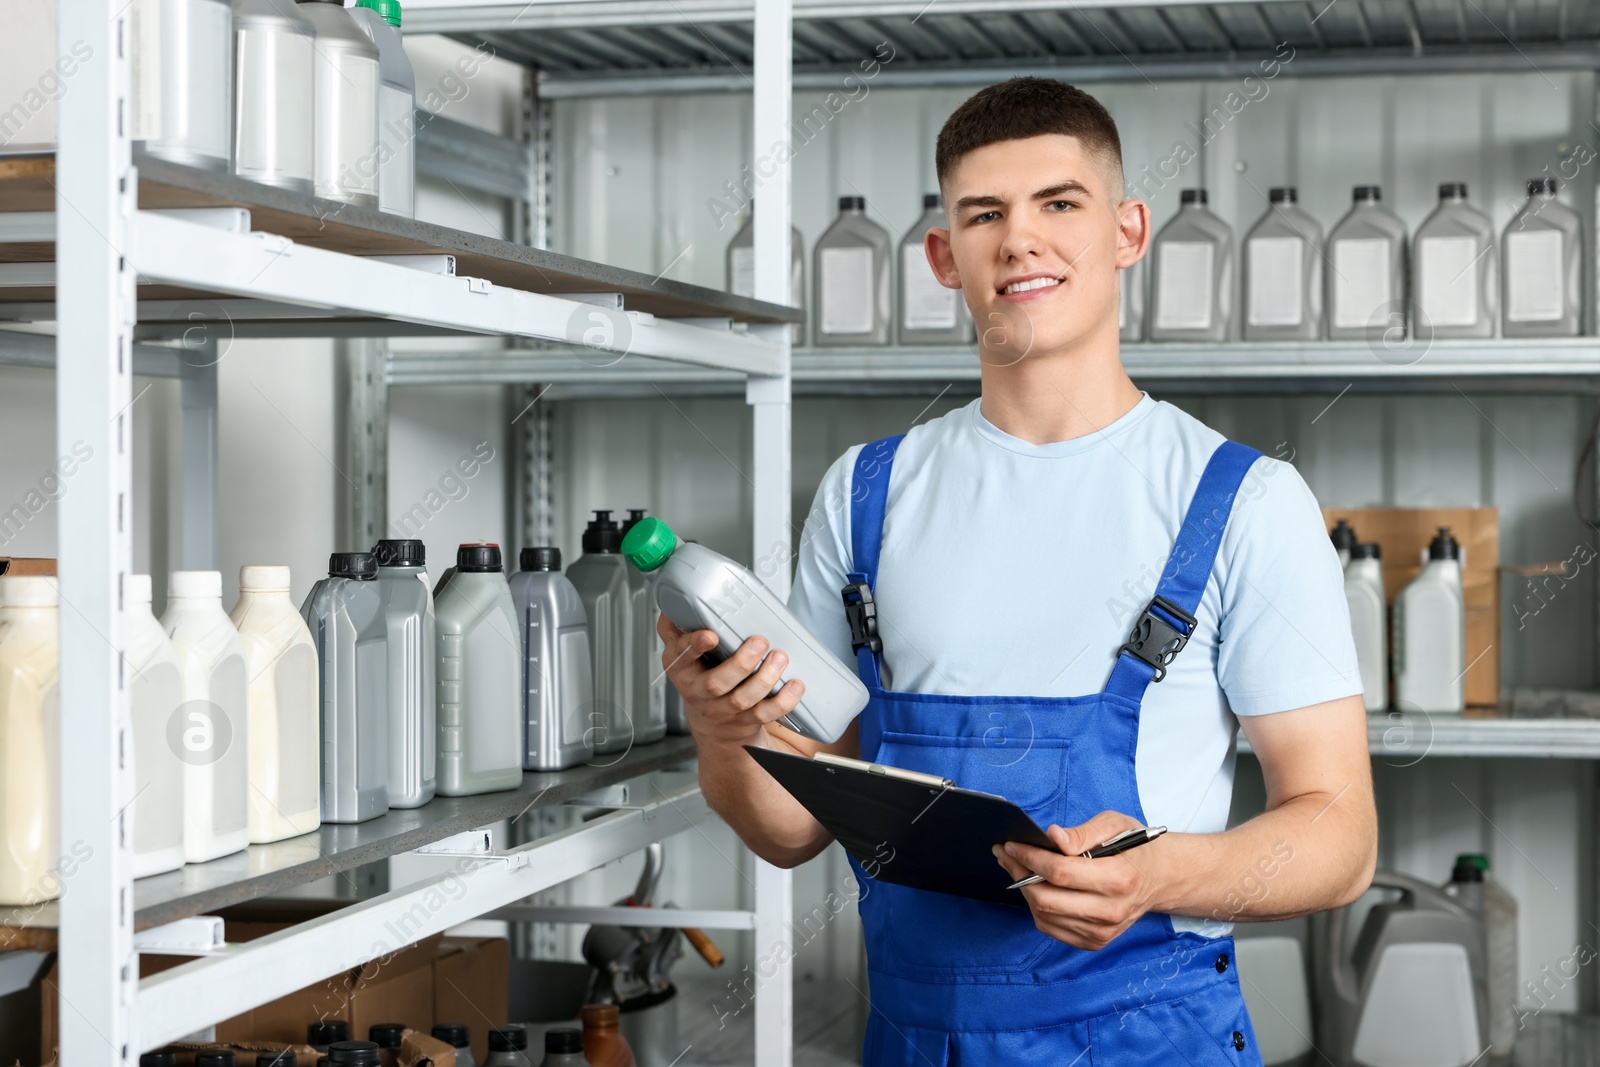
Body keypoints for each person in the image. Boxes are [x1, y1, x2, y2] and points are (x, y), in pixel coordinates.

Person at [659, 76, 1376, 1064]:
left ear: (1127, 231)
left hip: (1150, 1039)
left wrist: (1155, 872)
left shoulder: (1244, 501)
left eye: (1058, 204)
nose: (1019, 240)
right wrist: (722, 726)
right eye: (984, 213)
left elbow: (1340, 836)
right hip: (916, 1037)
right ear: (944, 256)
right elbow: (788, 828)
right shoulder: (866, 495)